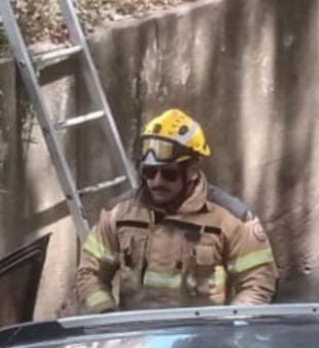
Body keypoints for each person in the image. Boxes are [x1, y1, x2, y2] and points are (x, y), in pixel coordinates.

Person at [76, 109, 277, 313]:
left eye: (169, 174)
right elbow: (90, 274)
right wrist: (107, 317)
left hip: (201, 340)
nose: (156, 182)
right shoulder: (119, 214)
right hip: (135, 338)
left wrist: (225, 329)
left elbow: (258, 284)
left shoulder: (231, 218)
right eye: (149, 172)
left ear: (192, 170)